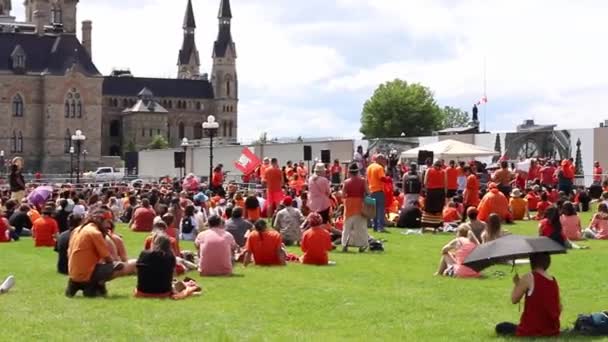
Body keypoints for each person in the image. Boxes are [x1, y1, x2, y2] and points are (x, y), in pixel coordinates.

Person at [66, 210, 134, 297]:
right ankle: (94, 285)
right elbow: (107, 258)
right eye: (107, 222)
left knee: (101, 265)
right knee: (121, 266)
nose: (109, 226)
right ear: (99, 220)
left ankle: (77, 284)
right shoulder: (95, 233)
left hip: (73, 273)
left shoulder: (77, 229)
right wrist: (115, 264)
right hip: (87, 275)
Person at [495, 253, 561, 337]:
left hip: (531, 330)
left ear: (532, 261)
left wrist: (517, 284)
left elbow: (514, 299)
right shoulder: (553, 280)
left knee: (501, 327)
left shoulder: (529, 277)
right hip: (552, 329)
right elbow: (559, 307)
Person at [341, 163, 369, 252]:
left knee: (347, 227)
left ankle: (344, 244)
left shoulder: (346, 182)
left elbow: (343, 195)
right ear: (357, 171)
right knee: (361, 227)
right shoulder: (363, 180)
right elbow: (368, 192)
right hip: (359, 204)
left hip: (349, 205)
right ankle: (362, 245)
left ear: (349, 172)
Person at [367, 154, 388, 232]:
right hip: (378, 190)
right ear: (379, 159)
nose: (384, 161)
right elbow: (382, 178)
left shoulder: (369, 167)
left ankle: (375, 227)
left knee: (374, 211)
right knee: (380, 210)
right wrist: (388, 179)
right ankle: (380, 227)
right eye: (383, 159)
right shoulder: (379, 168)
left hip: (371, 191)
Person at [423, 160, 447, 228]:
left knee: (429, 208)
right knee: (439, 209)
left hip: (431, 191)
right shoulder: (444, 171)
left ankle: (427, 223)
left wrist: (426, 190)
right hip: (440, 192)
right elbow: (445, 183)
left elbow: (425, 182)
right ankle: (438, 224)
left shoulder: (428, 170)